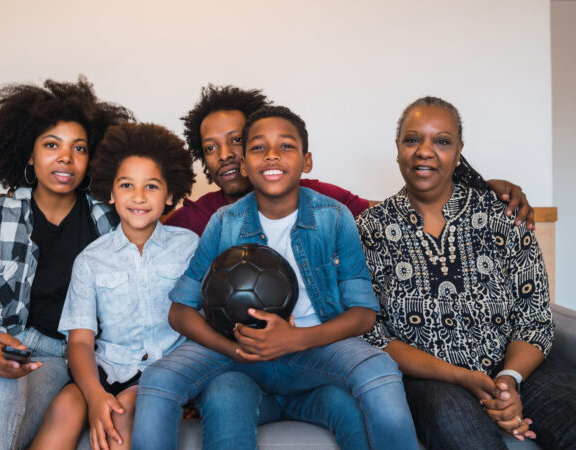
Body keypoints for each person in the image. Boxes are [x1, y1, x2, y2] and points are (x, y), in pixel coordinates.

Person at [133, 105, 419, 450]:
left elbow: (363, 314)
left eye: (285, 146)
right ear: (244, 164)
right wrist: (234, 348)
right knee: (158, 380)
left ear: (306, 161)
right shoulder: (224, 222)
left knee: (380, 370)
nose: (271, 155)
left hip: (314, 347)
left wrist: (296, 339)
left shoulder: (333, 216)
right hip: (240, 353)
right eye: (258, 147)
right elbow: (180, 311)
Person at [355, 96, 576, 449]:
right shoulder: (370, 229)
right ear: (397, 148)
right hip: (432, 380)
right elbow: (372, 333)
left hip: (515, 366)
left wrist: (508, 380)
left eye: (442, 141)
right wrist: (461, 376)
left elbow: (534, 317)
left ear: (459, 153)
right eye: (412, 139)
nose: (425, 151)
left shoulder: (505, 216)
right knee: (461, 432)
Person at [0, 77, 133, 450]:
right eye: (52, 145)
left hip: (54, 361)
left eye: (79, 148)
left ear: (92, 160)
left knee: (7, 410)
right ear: (29, 154)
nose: (66, 157)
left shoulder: (110, 223)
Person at [165, 84, 536, 236]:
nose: (225, 155)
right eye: (210, 148)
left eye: (237, 141)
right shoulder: (193, 220)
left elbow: (397, 216)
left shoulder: (321, 200)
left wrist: (480, 189)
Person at [31, 123, 198, 450]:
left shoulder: (190, 246)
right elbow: (80, 341)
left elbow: (203, 322)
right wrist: (95, 396)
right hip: (107, 368)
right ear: (111, 193)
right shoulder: (91, 259)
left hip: (166, 371)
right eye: (126, 185)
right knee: (65, 407)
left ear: (170, 195)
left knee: (122, 413)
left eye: (151, 186)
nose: (138, 196)